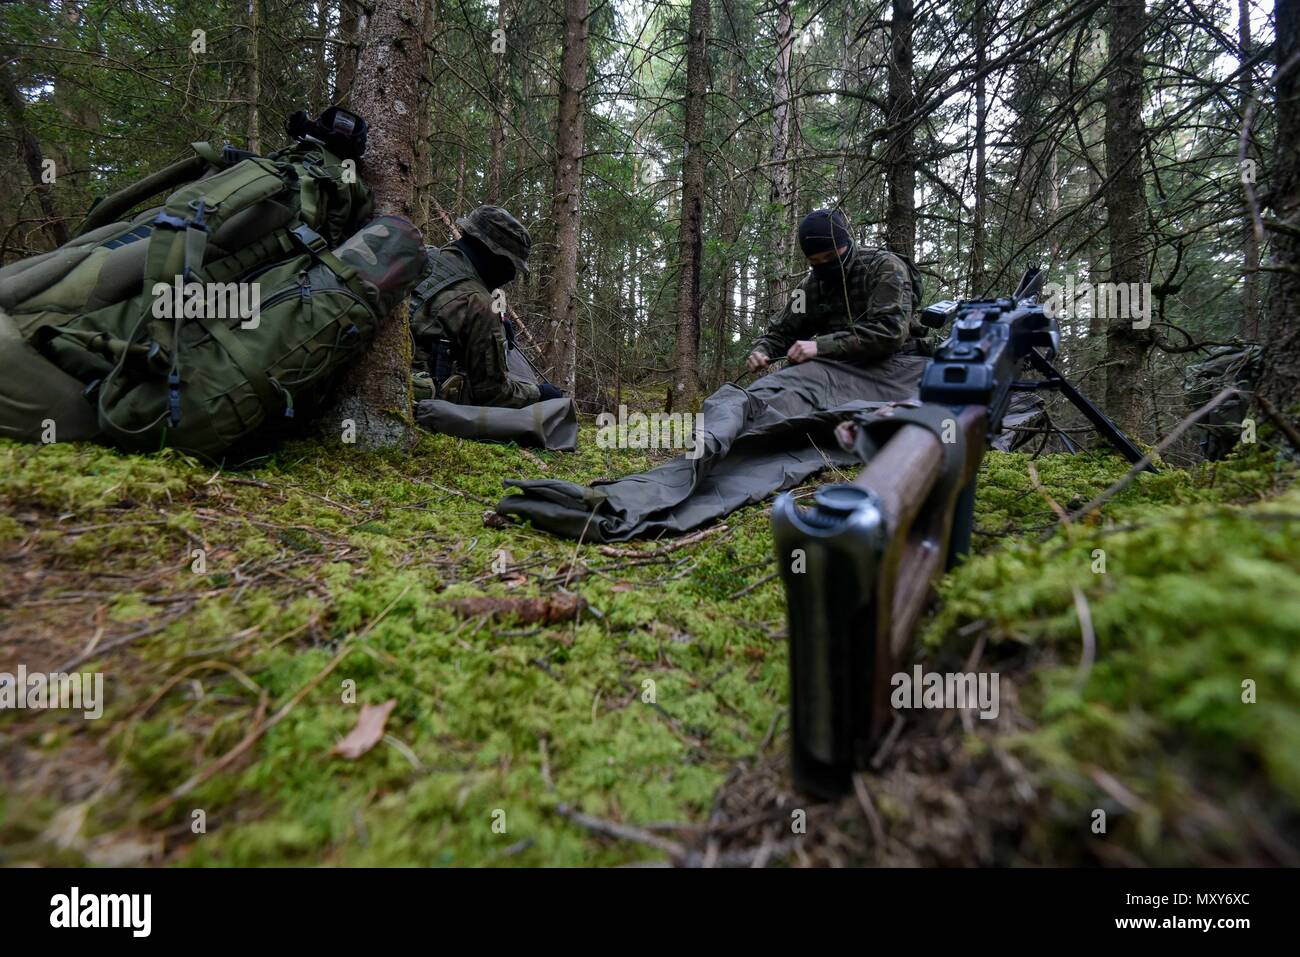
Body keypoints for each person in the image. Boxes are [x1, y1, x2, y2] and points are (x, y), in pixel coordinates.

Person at [746, 208, 930, 378]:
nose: (825, 265)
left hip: (895, 364)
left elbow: (891, 332)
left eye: (831, 256)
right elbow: (782, 333)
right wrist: (762, 350)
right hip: (837, 370)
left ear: (845, 243)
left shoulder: (884, 268)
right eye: (815, 261)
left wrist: (820, 346)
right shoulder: (806, 289)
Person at [410, 205, 563, 407]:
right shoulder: (479, 304)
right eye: (511, 265)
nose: (511, 276)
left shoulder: (424, 255)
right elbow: (493, 394)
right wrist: (540, 394)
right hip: (414, 399)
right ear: (495, 256)